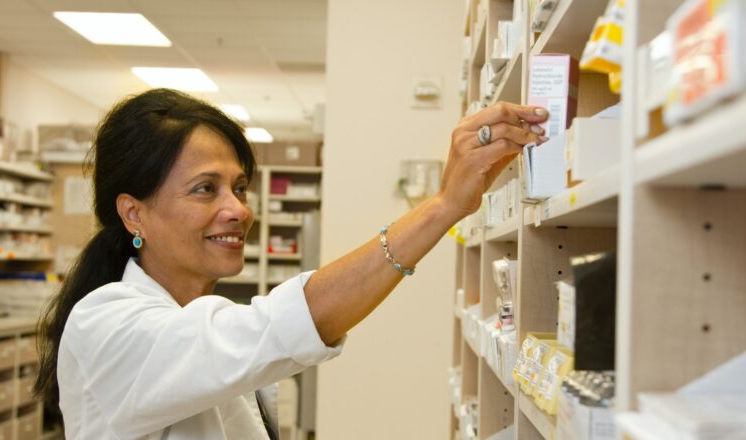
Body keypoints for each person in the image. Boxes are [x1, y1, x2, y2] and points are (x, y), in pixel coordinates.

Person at [34, 88, 548, 439]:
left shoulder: (203, 318)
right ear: (134, 213)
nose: (238, 210)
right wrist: (444, 206)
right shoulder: (106, 324)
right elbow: (283, 325)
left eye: (239, 187)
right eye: (205, 189)